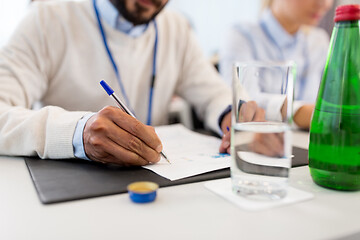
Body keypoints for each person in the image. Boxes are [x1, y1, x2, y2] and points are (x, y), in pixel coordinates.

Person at [0, 0, 263, 166]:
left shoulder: (175, 27)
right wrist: (78, 133)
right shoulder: (46, 19)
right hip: (71, 194)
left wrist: (231, 112)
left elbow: (212, 94)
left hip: (156, 187)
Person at [219, 0, 334, 129]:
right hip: (262, 142)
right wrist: (301, 112)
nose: (325, 4)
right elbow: (243, 106)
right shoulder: (242, 36)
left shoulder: (319, 42)